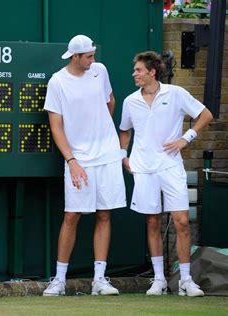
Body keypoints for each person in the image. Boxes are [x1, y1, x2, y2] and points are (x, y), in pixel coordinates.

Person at [119, 51, 213, 297]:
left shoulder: (175, 94)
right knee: (152, 222)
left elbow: (205, 115)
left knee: (181, 222)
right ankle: (159, 279)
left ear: (152, 72)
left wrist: (186, 138)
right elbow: (125, 132)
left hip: (171, 166)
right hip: (143, 169)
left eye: (138, 70)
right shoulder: (130, 101)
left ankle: (185, 280)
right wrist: (123, 157)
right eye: (135, 70)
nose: (134, 74)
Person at [42, 34, 126, 296]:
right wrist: (72, 160)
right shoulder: (57, 82)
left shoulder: (100, 71)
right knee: (72, 216)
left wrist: (100, 131)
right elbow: (56, 126)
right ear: (75, 56)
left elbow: (109, 102)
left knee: (104, 214)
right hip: (78, 159)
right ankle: (59, 280)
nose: (93, 59)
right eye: (88, 56)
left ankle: (99, 280)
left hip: (107, 155)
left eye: (93, 55)